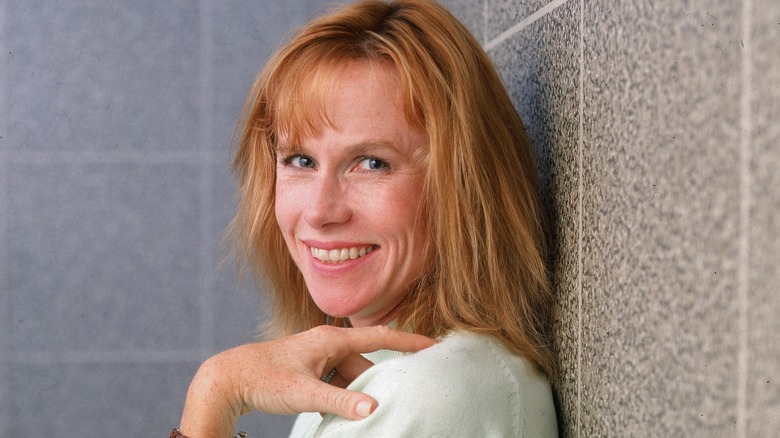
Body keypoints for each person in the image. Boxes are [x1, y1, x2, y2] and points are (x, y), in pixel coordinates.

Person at [175, 0, 558, 436]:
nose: (319, 211)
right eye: (300, 160)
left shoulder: (431, 392)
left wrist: (216, 388)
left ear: (465, 189)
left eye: (372, 163)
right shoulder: (364, 381)